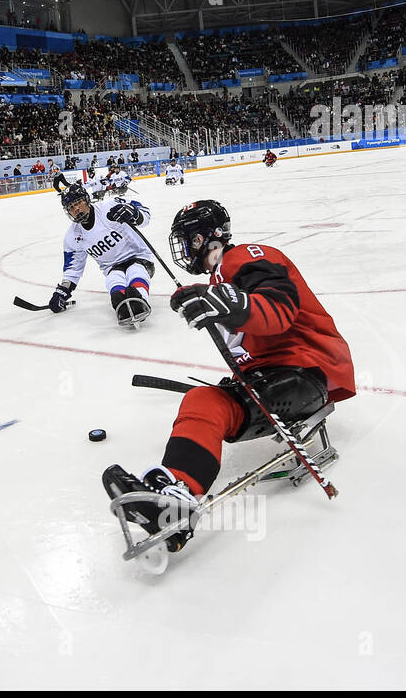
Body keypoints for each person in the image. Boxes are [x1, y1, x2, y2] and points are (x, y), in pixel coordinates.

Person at [103, 200, 356, 551]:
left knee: (207, 400)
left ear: (203, 239)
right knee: (203, 400)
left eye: (185, 239)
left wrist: (226, 303)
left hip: (308, 370)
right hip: (277, 377)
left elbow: (278, 310)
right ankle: (176, 498)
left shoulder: (244, 257)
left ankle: (177, 497)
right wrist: (211, 299)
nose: (182, 248)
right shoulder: (219, 277)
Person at [47, 177, 155, 327]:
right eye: (71, 207)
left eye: (79, 203)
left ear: (87, 200)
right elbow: (73, 270)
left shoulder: (109, 207)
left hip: (139, 257)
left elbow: (145, 214)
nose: (76, 209)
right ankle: (121, 305)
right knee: (113, 281)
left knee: (135, 271)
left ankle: (140, 301)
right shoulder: (73, 237)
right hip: (112, 268)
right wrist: (62, 292)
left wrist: (135, 214)